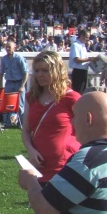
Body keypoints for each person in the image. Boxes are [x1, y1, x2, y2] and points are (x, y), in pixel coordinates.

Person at [22, 51, 81, 182]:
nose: (40, 75)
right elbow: (26, 130)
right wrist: (30, 150)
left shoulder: (71, 97)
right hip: (39, 163)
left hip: (65, 164)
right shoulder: (31, 97)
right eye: (37, 71)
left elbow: (87, 129)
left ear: (57, 71)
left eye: (45, 70)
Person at [0, 40, 28, 127]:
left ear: (14, 48)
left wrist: (22, 85)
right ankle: (7, 123)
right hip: (9, 83)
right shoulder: (4, 59)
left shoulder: (19, 58)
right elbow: (1, 72)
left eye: (9, 47)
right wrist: (0, 84)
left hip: (19, 82)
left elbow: (26, 73)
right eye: (6, 47)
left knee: (20, 104)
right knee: (7, 104)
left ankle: (21, 124)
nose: (7, 49)